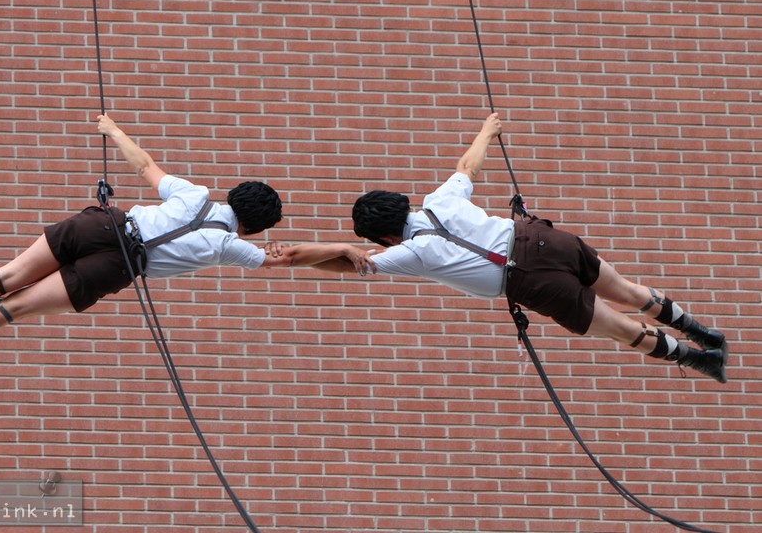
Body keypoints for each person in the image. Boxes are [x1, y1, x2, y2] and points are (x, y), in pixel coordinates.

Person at [0, 114, 370, 367]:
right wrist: (341, 248)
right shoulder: (234, 247)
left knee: (6, 277)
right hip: (119, 262)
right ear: (257, 227)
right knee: (16, 306)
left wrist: (113, 129)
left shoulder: (195, 194)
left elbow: (144, 166)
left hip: (104, 226)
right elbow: (287, 258)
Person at [294, 113, 728, 383]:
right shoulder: (437, 201)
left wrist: (307, 254)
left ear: (384, 238)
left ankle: (702, 361)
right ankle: (701, 330)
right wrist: (487, 128)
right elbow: (467, 166)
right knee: (631, 293)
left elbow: (349, 263)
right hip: (543, 240)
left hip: (528, 280)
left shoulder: (409, 253)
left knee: (621, 329)